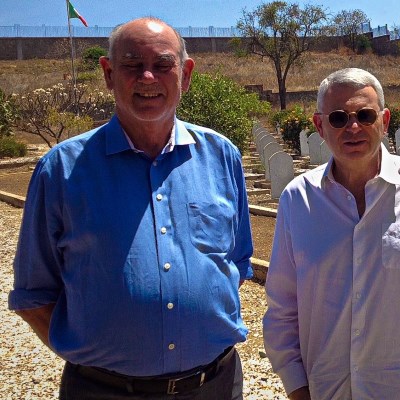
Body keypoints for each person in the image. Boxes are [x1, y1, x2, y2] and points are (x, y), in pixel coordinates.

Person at [8, 17, 253, 400]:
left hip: (215, 385)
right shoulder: (61, 170)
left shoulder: (222, 156)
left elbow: (235, 264)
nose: (148, 78)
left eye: (162, 65)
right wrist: (101, 356)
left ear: (185, 74)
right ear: (108, 74)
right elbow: (34, 294)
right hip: (102, 391)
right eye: (132, 65)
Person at [263, 68, 400, 400]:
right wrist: (296, 387)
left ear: (383, 121)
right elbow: (282, 307)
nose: (353, 127)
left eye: (365, 115)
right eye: (338, 118)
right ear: (319, 126)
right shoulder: (297, 200)